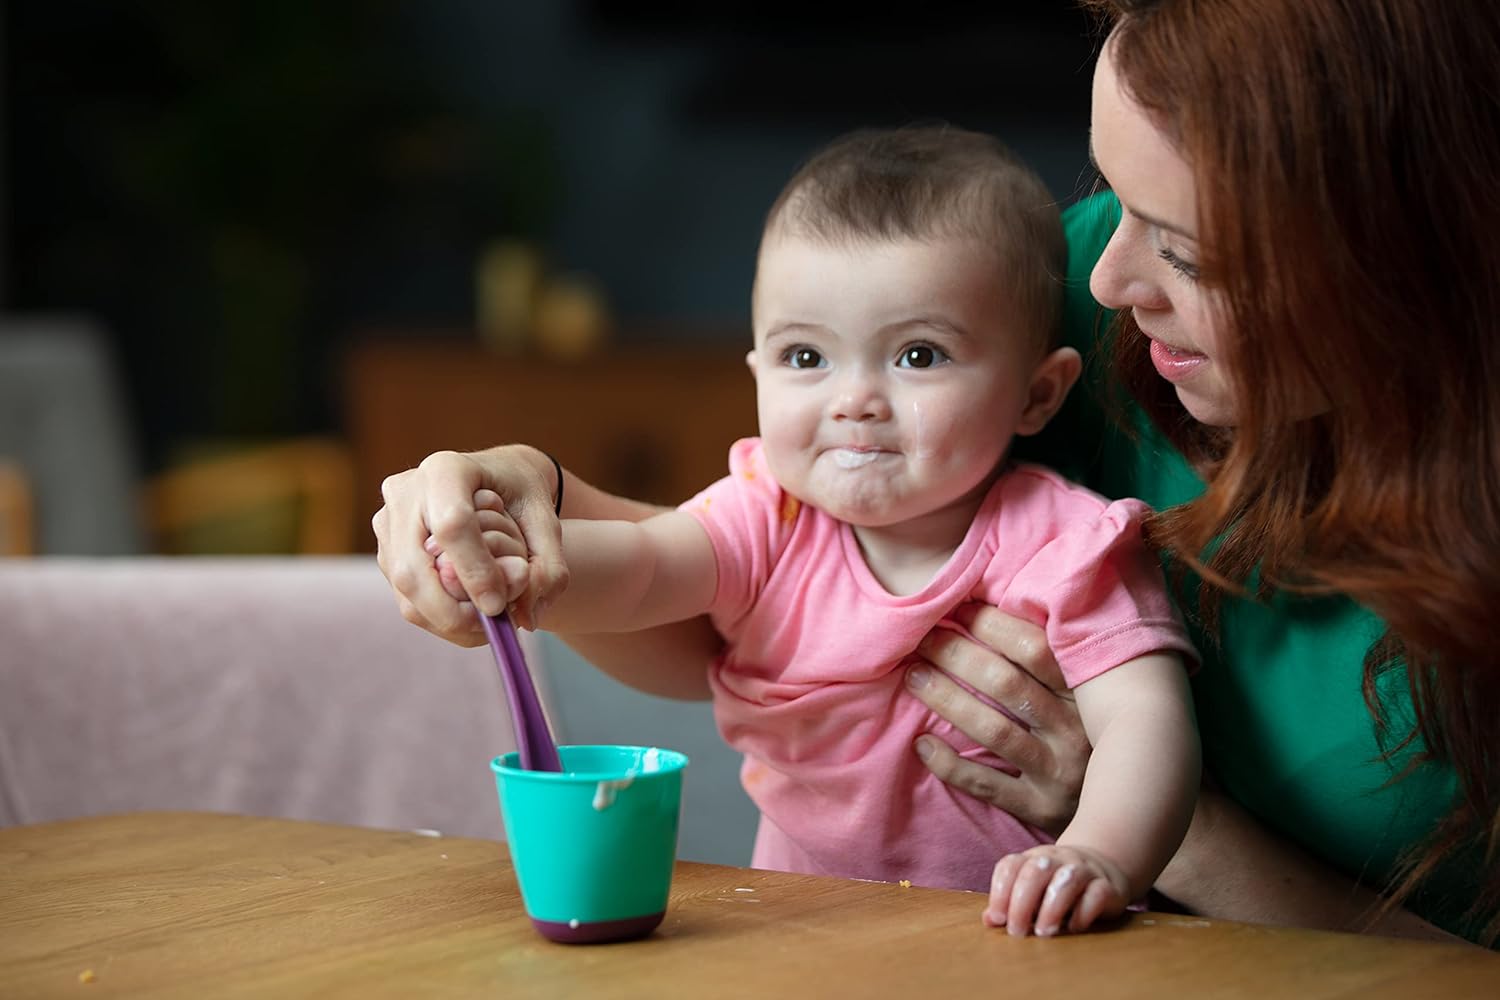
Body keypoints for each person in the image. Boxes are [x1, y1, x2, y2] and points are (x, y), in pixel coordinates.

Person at [374, 0, 1500, 946]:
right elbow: (709, 592)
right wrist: (531, 511)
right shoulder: (1053, 292)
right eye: (1111, 196)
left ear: (1399, 256)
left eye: (1191, 251)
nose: (1105, 278)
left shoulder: (1053, 518)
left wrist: (1131, 829)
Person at [429, 126, 1200, 937]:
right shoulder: (770, 512)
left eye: (918, 355)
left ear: (1038, 394)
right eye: (806, 358)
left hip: (1020, 946)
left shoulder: (1060, 542)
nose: (854, 399)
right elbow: (647, 569)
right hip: (801, 941)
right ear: (758, 372)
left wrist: (1098, 855)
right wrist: (516, 561)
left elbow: (1144, 722)